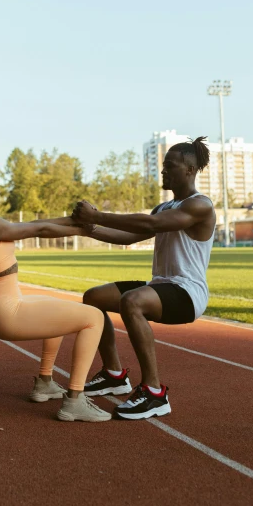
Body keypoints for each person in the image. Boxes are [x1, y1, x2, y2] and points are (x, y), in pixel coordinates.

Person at [0, 152, 111, 423]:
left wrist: (73, 219)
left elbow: (36, 224)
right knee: (94, 318)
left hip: (1, 306)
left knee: (59, 306)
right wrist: (83, 230)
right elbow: (40, 231)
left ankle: (45, 383)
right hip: (6, 313)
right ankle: (74, 400)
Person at [72, 137, 216, 421]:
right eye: (163, 166)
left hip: (188, 293)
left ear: (189, 169)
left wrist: (98, 214)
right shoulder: (164, 207)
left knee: (132, 301)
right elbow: (131, 235)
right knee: (93, 298)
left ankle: (154, 392)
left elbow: (149, 225)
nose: (163, 171)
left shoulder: (200, 206)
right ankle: (114, 374)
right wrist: (90, 229)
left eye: (169, 166)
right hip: (161, 286)